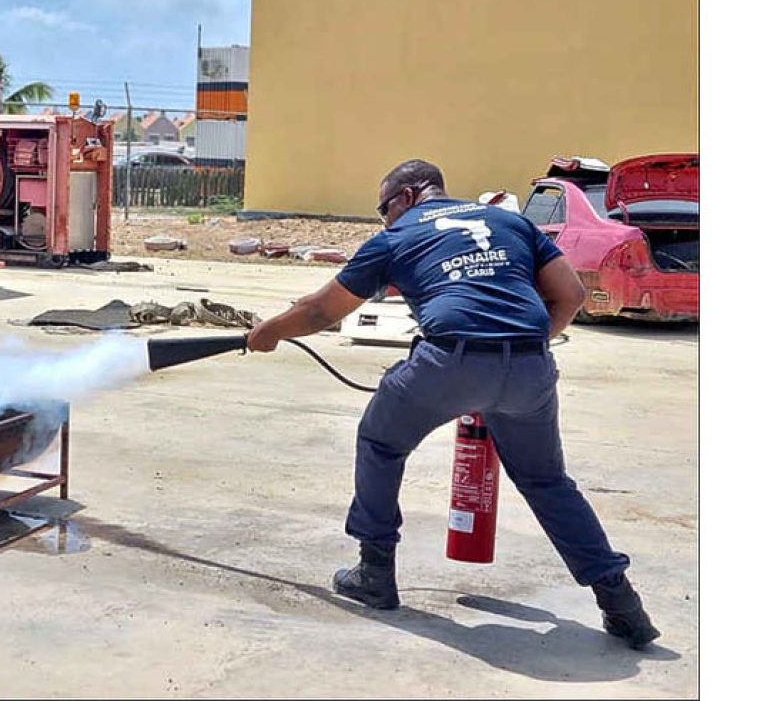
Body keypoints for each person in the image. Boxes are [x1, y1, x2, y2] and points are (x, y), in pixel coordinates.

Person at [246, 159, 659, 649]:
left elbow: (319, 310)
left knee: (380, 441)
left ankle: (374, 571)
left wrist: (268, 331)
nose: (384, 220)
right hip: (530, 367)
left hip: (450, 362)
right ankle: (622, 606)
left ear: (407, 196)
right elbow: (570, 294)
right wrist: (514, 352)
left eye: (384, 209)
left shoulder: (395, 238)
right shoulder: (512, 221)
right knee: (548, 483)